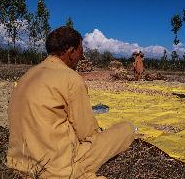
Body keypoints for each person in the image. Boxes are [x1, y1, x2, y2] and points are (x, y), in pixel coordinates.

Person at [7, 26, 135, 178]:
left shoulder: (27, 76)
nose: (82, 56)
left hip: (18, 161)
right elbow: (86, 133)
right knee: (126, 129)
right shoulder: (71, 79)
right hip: (57, 167)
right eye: (81, 50)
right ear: (70, 51)